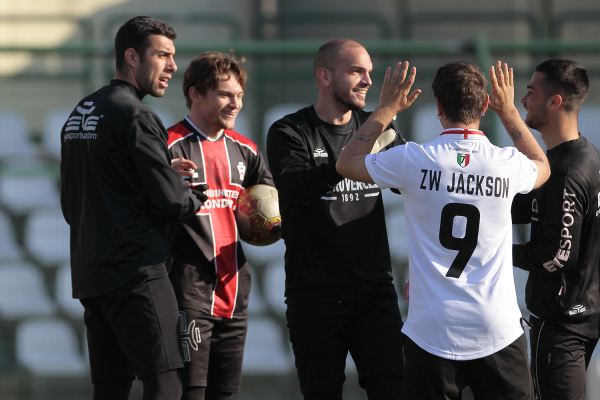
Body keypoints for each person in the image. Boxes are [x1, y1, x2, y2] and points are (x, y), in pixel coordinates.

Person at [337, 60, 552, 400]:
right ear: (485, 104)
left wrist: (387, 108)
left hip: (431, 329)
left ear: (438, 105)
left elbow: (346, 162)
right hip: (496, 327)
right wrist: (509, 111)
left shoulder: (412, 159)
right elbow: (542, 166)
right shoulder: (507, 163)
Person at [60, 16, 207, 400]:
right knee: (166, 384)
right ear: (131, 56)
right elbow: (172, 201)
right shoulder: (137, 115)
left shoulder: (80, 113)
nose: (172, 66)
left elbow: (74, 202)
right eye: (162, 55)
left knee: (111, 388)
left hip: (92, 274)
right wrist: (193, 194)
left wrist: (161, 172)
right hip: (136, 274)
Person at [266, 38, 407, 400]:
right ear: (325, 76)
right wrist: (353, 155)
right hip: (315, 291)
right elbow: (294, 190)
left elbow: (410, 183)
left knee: (393, 388)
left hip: (375, 287)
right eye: (356, 71)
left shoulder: (379, 128)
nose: (368, 81)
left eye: (369, 72)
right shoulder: (289, 130)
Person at [166, 51, 274, 400]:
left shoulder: (247, 151)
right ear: (196, 94)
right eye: (225, 95)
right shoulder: (167, 146)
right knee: (190, 393)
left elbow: (271, 212)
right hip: (186, 291)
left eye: (239, 95)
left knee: (224, 394)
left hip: (235, 290)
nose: (235, 103)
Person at [510, 59, 600, 400]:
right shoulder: (582, 153)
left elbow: (557, 255)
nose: (523, 100)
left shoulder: (566, 171)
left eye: (530, 92)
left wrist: (498, 252)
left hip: (562, 326)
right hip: (582, 316)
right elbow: (524, 209)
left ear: (554, 101)